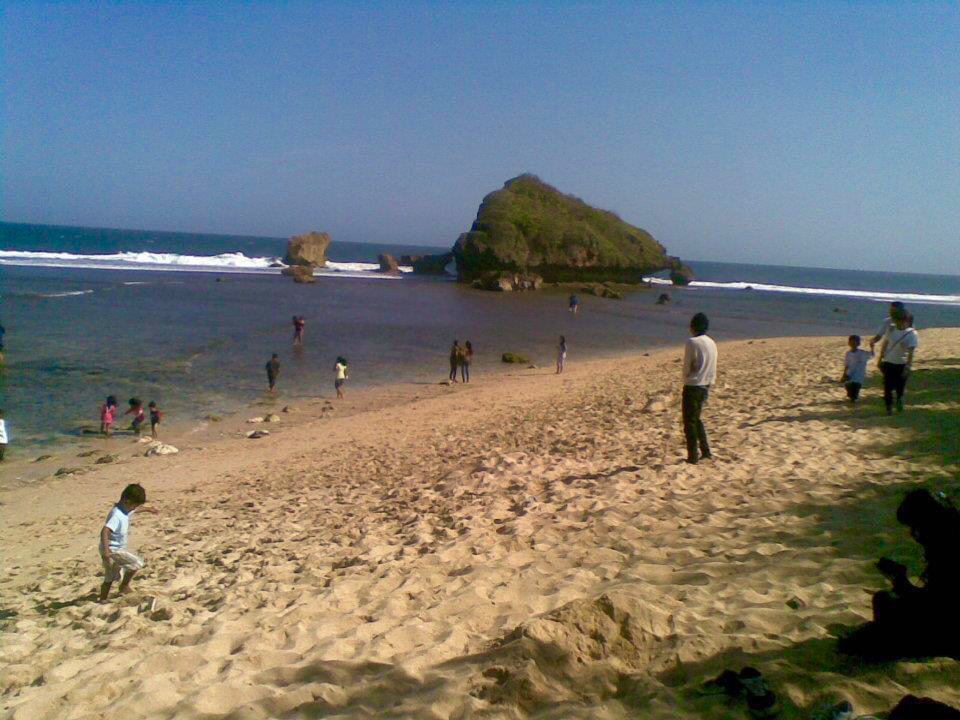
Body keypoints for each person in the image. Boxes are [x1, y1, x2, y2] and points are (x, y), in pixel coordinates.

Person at [838, 489, 960, 660]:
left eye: (916, 528)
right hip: (945, 621)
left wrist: (901, 583)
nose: (915, 535)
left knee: (884, 603)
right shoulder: (949, 538)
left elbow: (936, 606)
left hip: (948, 633)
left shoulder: (947, 550)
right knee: (884, 602)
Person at [98, 483, 158, 603]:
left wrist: (148, 509)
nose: (134, 508)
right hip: (113, 550)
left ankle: (103, 599)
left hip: (113, 549)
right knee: (137, 563)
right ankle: (124, 586)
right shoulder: (116, 515)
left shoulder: (124, 510)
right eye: (134, 505)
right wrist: (106, 552)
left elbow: (135, 511)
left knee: (110, 575)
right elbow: (105, 531)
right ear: (126, 501)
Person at [682, 312, 718, 465]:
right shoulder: (712, 342)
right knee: (696, 419)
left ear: (693, 326)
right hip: (706, 384)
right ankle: (705, 451)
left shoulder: (692, 342)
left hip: (693, 385)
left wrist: (685, 378)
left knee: (689, 422)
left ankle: (693, 456)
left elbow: (687, 367)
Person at [877, 309, 918, 414]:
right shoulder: (891, 330)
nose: (900, 323)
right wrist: (880, 358)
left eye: (903, 320)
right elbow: (885, 344)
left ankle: (899, 401)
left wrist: (908, 367)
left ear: (907, 321)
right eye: (898, 320)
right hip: (888, 362)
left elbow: (911, 352)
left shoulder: (912, 334)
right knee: (887, 387)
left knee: (900, 387)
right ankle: (888, 408)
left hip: (902, 364)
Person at [841, 335, 873, 402]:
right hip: (849, 377)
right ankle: (852, 408)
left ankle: (853, 408)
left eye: (855, 342)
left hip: (858, 378)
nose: (853, 343)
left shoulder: (862, 353)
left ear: (858, 343)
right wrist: (844, 375)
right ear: (849, 343)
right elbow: (846, 365)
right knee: (850, 394)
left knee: (854, 396)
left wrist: (872, 347)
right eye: (851, 342)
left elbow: (872, 355)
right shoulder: (848, 353)